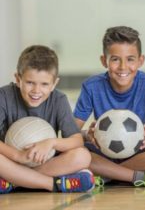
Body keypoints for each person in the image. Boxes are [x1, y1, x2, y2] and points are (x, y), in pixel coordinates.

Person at [73, 26, 145, 188]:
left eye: (130, 59)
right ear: (104, 61)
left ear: (140, 61)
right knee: (76, 154)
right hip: (103, 153)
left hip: (140, 154)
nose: (123, 67)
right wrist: (88, 135)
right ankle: (142, 178)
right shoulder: (92, 87)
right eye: (115, 59)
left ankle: (107, 175)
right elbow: (71, 134)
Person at [0, 45, 94, 194]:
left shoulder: (59, 99)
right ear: (18, 79)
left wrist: (51, 143)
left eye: (44, 84)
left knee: (82, 156)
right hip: (10, 160)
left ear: (54, 84)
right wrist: (18, 155)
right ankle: (53, 184)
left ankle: (13, 181)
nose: (36, 91)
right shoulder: (4, 96)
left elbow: (77, 140)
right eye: (30, 82)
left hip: (44, 162)